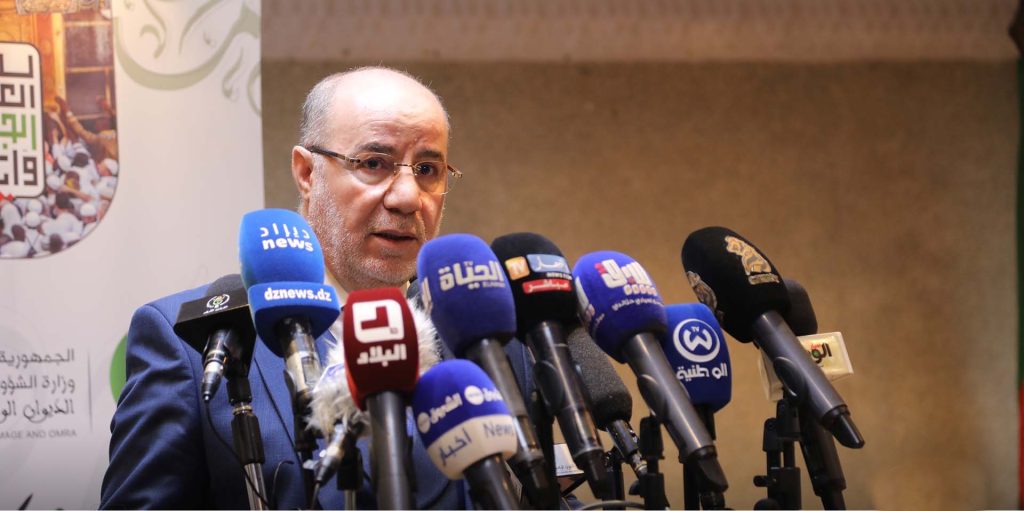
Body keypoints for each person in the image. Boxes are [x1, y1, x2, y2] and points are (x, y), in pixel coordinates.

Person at [100, 67, 534, 509]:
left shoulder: (491, 344)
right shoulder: (191, 344)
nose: (407, 197)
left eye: (427, 169)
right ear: (307, 173)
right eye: (373, 163)